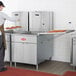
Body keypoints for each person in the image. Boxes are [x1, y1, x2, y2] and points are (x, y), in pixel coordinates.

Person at [0, 1, 16, 72]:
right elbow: (12, 19)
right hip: (0, 35)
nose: (3, 8)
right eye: (2, 6)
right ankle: (1, 67)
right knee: (1, 50)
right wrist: (18, 17)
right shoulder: (2, 14)